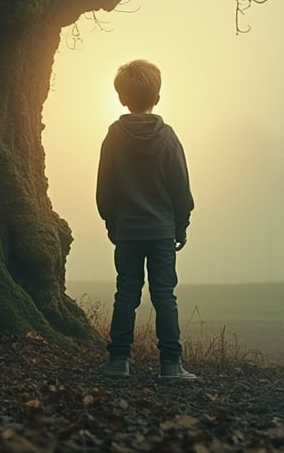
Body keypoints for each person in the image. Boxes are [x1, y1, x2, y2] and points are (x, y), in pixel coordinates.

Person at [95, 59, 196, 381]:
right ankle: (170, 365)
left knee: (126, 294)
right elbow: (180, 186)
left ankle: (118, 362)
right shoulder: (167, 137)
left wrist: (112, 222)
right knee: (164, 295)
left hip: (127, 230)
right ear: (158, 96)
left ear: (122, 97)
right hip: (161, 231)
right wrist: (181, 224)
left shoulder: (113, 137)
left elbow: (104, 187)